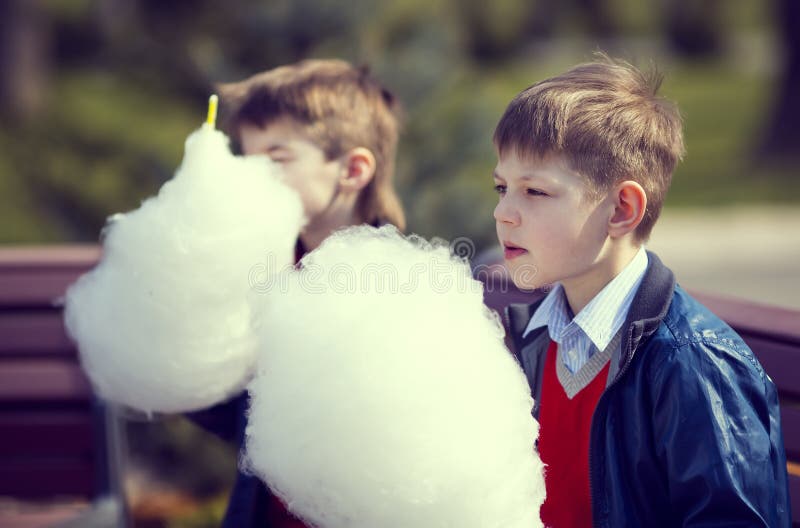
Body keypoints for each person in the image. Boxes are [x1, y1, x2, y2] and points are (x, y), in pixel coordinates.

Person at [493, 55, 792, 527]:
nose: (503, 213)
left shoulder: (690, 362)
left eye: (534, 192)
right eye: (501, 188)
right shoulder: (533, 336)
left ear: (621, 210)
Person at [188, 58, 405, 528]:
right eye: (247, 162)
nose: (252, 178)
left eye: (277, 159)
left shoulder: (394, 280)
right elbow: (238, 420)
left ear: (352, 169)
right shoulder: (265, 268)